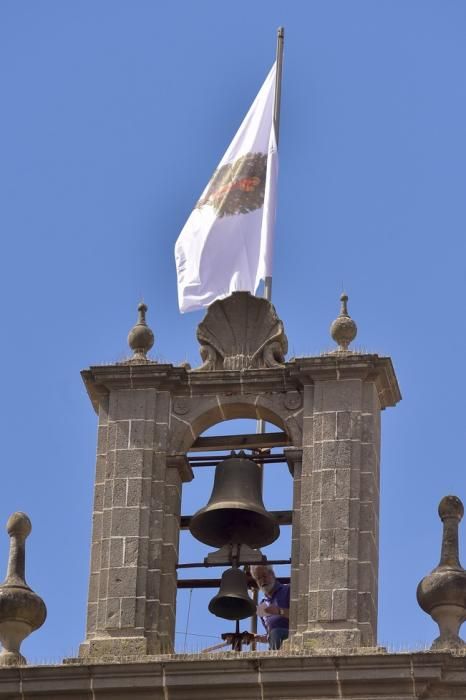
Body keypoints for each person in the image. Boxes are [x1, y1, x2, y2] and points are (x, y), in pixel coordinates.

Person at [251, 564, 289, 650]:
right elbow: (270, 636)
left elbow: (301, 616)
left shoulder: (288, 590)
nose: (262, 580)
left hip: (293, 638)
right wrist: (258, 638)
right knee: (274, 633)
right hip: (277, 644)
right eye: (258, 578)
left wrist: (280, 611)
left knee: (276, 632)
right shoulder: (261, 606)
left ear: (272, 574)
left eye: (264, 576)